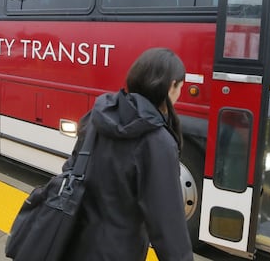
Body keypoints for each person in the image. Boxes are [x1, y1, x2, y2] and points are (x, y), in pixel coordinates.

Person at [63, 47, 193, 261]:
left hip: (74, 242)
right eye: (181, 87)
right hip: (117, 252)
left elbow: (71, 169)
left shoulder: (98, 116)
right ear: (171, 87)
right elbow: (168, 227)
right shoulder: (158, 142)